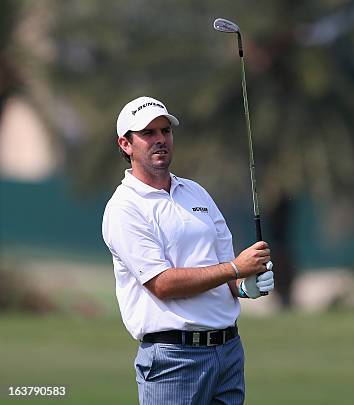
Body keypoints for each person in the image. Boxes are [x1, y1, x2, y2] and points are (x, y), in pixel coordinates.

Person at [102, 96, 274, 405]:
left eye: (165, 131)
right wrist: (236, 269)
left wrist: (246, 286)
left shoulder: (196, 193)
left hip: (228, 351)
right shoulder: (124, 208)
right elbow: (162, 284)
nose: (160, 140)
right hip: (174, 359)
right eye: (148, 133)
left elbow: (225, 271)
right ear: (126, 144)